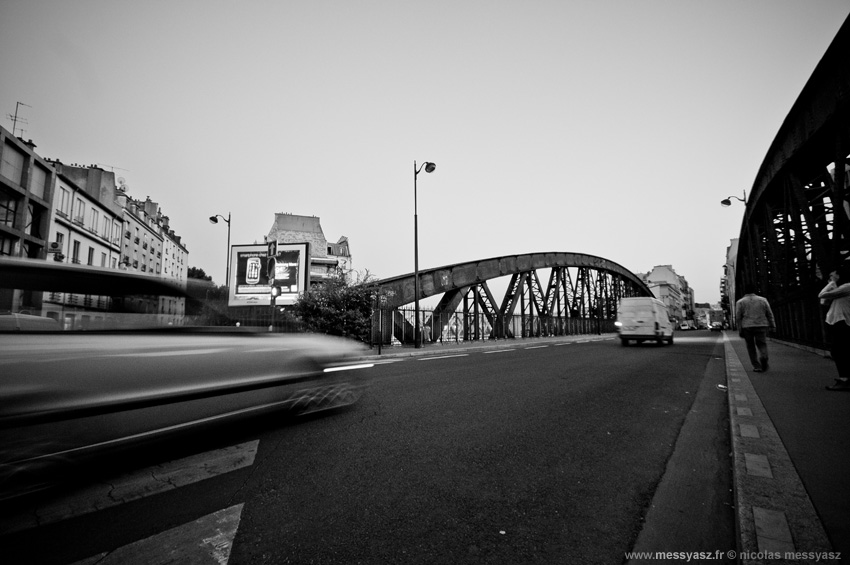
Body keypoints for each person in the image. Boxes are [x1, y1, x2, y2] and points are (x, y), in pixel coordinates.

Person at [818, 264, 850, 391]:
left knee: (839, 351)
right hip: (837, 322)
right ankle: (845, 378)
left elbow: (821, 295)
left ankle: (845, 379)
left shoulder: (847, 287)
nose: (830, 277)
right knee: (839, 351)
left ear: (839, 275)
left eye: (832, 274)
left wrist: (831, 284)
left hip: (842, 322)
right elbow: (824, 302)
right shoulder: (842, 289)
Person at [735, 284, 776, 372]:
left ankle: (756, 366)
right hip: (761, 324)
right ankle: (764, 357)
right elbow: (769, 313)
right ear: (754, 291)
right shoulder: (763, 300)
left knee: (750, 346)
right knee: (762, 343)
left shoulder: (740, 302)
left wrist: (740, 329)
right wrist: (773, 325)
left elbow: (738, 317)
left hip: (747, 326)